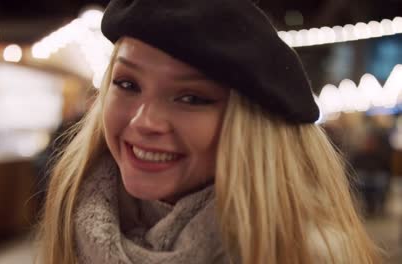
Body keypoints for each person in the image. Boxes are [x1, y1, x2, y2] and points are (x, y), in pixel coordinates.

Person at [38, 0, 382, 263]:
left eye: (191, 98)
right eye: (127, 83)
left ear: (250, 129)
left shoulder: (305, 253)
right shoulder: (71, 223)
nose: (145, 121)